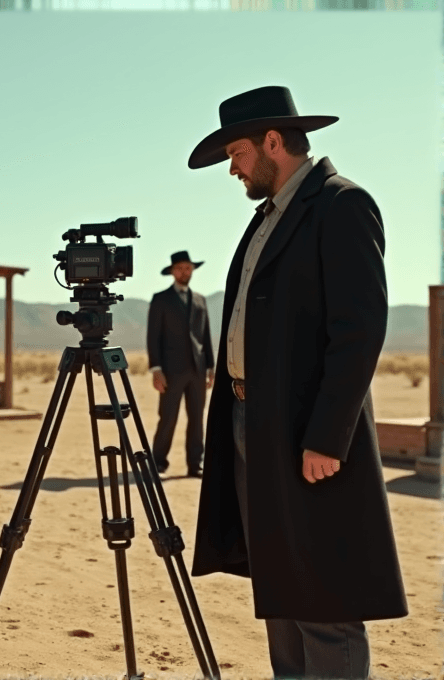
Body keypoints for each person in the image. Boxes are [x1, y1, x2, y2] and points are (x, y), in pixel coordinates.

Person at [188, 86, 408, 679]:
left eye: (237, 153)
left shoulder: (341, 205)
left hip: (304, 434)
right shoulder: (268, 216)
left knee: (324, 592)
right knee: (281, 586)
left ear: (273, 142)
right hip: (249, 423)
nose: (232, 168)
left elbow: (358, 332)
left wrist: (327, 437)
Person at [147, 251, 215, 478]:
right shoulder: (161, 299)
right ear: (172, 271)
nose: (184, 272)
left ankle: (195, 464)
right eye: (179, 268)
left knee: (196, 419)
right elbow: (153, 336)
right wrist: (156, 370)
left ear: (192, 270)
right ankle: (158, 463)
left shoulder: (200, 300)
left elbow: (205, 336)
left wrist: (211, 368)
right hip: (170, 371)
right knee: (168, 418)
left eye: (187, 268)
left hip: (197, 370)